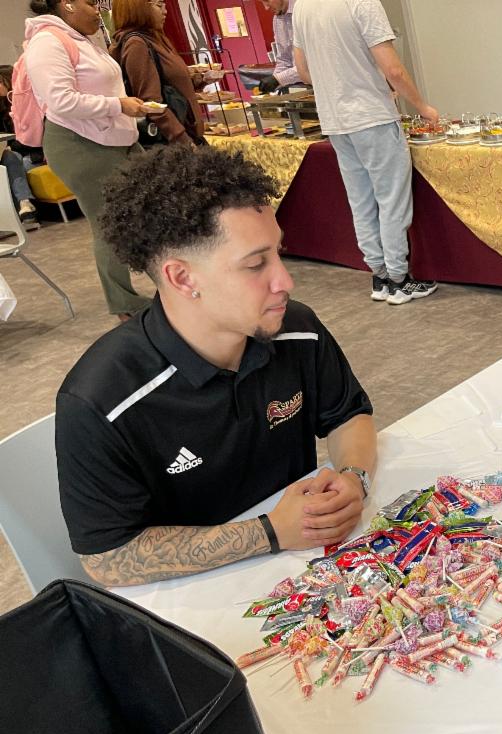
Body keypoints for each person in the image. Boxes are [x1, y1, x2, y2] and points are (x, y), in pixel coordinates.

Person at [57, 144, 378, 587]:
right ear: (182, 277)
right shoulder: (102, 399)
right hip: (189, 599)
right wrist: (268, 533)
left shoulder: (295, 329)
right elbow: (106, 558)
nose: (285, 280)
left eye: (279, 254)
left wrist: (353, 476)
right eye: (255, 264)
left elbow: (347, 414)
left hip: (305, 577)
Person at [292, 0, 438, 305]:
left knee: (360, 200)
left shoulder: (302, 7)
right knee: (391, 199)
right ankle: (399, 279)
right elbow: (393, 69)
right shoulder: (361, 2)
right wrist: (422, 106)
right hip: (372, 116)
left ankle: (380, 275)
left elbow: (303, 71)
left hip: (335, 120)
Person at [24, 0, 152, 318]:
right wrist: (119, 105)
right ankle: (124, 304)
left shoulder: (81, 38)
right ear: (67, 4)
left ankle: (174, 283)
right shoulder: (47, 41)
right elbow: (61, 101)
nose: (99, 10)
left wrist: (119, 106)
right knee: (109, 222)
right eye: (90, 3)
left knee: (152, 206)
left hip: (114, 138)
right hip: (80, 144)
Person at [111, 0, 217, 146]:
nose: (165, 11)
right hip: (174, 142)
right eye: (159, 5)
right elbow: (152, 102)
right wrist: (183, 140)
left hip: (190, 133)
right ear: (138, 8)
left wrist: (201, 79)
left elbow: (173, 84)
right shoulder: (137, 44)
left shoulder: (157, 38)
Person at [0, 64, 41, 230]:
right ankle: (25, 206)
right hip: (13, 152)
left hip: (32, 152)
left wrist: (11, 146)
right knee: (12, 158)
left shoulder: (24, 104)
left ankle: (23, 206)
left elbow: (31, 138)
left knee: (15, 159)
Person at [254, 0, 303, 94]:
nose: (266, 7)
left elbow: (312, 62)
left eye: (267, 1)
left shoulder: (304, 11)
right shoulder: (277, 20)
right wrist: (273, 84)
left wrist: (278, 79)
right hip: (300, 86)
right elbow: (284, 60)